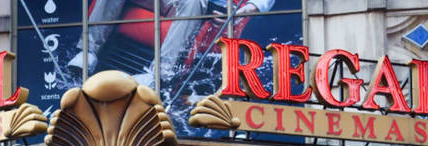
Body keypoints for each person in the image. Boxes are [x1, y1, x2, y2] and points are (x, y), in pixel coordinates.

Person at [68, 0, 274, 87]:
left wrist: (246, 10)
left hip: (196, 7)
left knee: (195, 1)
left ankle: (158, 75)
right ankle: (89, 52)